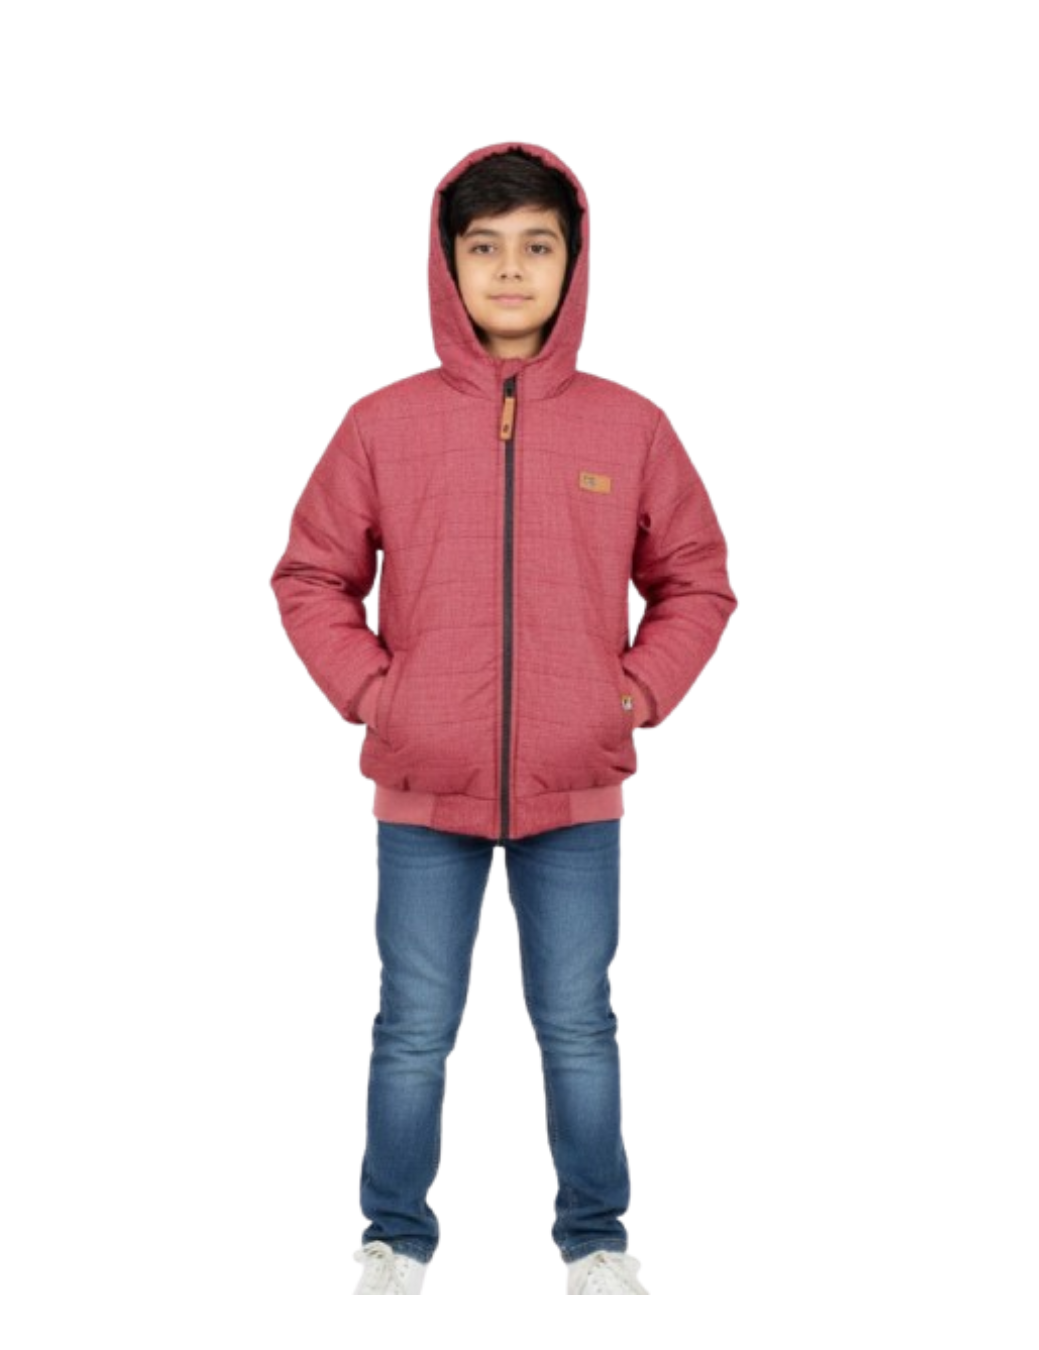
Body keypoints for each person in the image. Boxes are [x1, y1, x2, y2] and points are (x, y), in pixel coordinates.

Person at [270, 141, 738, 1295]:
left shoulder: (630, 427)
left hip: (575, 789)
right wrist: (380, 695)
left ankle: (597, 1242)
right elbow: (312, 575)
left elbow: (695, 579)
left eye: (537, 246)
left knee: (578, 1021)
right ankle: (394, 1240)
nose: (512, 271)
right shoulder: (383, 423)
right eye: (486, 248)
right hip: (424, 785)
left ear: (574, 262)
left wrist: (631, 693)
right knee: (413, 1024)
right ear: (449, 264)